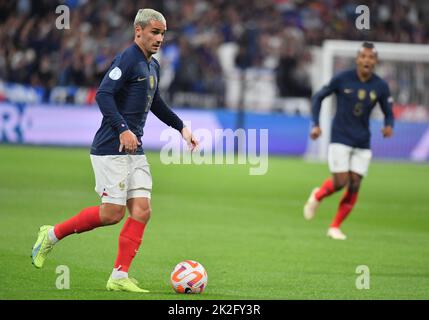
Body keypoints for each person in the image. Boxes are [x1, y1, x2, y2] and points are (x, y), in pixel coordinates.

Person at [31, 9, 198, 292]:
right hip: (111, 148)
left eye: (162, 33)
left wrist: (181, 127)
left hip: (135, 148)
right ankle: (52, 234)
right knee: (112, 214)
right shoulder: (128, 59)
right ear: (138, 31)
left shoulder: (152, 65)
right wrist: (122, 128)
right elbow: (104, 94)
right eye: (154, 32)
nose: (159, 38)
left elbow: (155, 102)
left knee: (142, 210)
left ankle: (119, 276)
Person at [304, 42, 394, 240]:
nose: (367, 60)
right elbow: (318, 97)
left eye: (371, 57)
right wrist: (315, 124)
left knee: (354, 184)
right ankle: (317, 195)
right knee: (340, 182)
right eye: (363, 56)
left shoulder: (380, 85)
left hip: (362, 140)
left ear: (375, 61)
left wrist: (389, 125)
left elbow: (388, 111)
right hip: (340, 137)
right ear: (357, 59)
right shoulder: (342, 78)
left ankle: (335, 226)